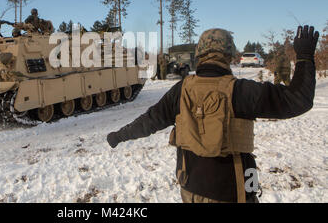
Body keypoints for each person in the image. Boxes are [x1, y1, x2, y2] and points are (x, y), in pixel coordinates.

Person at [107, 26, 319, 203]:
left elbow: (150, 121)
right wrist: (305, 58)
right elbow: (298, 100)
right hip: (231, 192)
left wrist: (119, 135)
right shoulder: (242, 91)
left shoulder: (181, 90)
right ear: (228, 55)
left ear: (200, 53)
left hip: (190, 189)